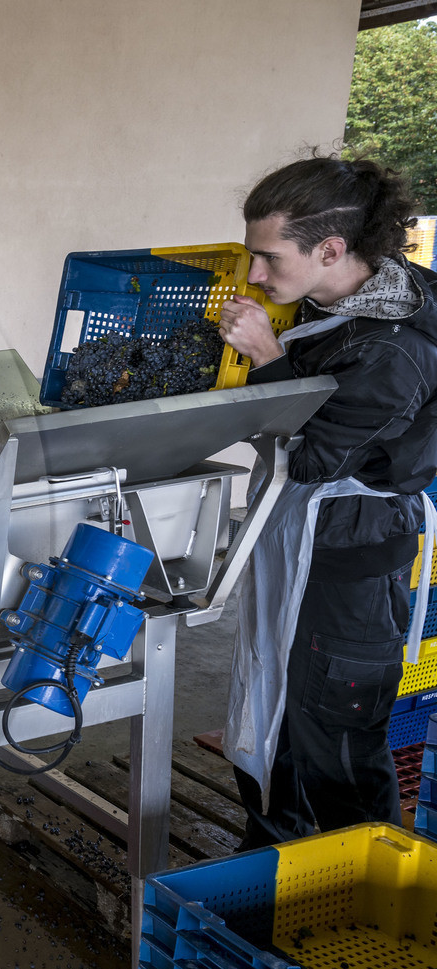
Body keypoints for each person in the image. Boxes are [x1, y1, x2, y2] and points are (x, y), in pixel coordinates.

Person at [220, 154, 437, 848]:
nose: (255, 274)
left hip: (349, 557)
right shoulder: (344, 296)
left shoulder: (392, 351)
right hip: (302, 535)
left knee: (336, 739)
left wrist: (267, 359)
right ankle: (268, 859)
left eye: (269, 257)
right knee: (273, 710)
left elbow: (313, 459)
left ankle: (365, 881)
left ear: (332, 250)